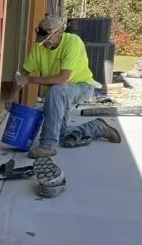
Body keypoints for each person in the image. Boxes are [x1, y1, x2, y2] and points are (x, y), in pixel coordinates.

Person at [12, 15, 121, 158]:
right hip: (58, 93)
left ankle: (47, 146)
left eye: (48, 39)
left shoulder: (73, 43)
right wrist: (12, 98)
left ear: (59, 33)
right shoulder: (39, 47)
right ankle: (99, 127)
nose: (45, 43)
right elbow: (23, 76)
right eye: (42, 39)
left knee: (56, 90)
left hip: (81, 86)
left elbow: (62, 80)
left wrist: (29, 80)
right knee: (62, 133)